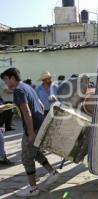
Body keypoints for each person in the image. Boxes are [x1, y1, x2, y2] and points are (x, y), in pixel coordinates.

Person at [0, 68, 59, 197]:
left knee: (26, 158)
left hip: (31, 128)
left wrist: (31, 133)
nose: (5, 83)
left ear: (11, 78)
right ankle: (52, 172)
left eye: (5, 79)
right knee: (35, 152)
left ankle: (33, 188)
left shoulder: (19, 90)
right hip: (39, 124)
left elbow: (26, 111)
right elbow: (40, 105)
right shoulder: (27, 87)